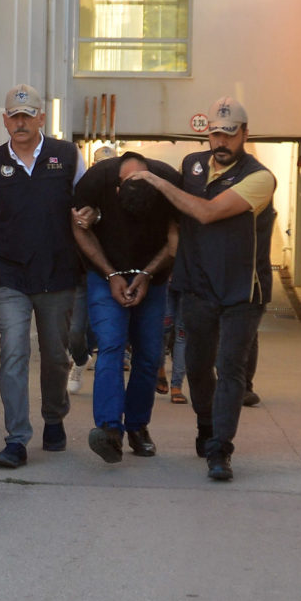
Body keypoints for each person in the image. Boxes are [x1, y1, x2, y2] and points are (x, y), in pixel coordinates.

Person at [136, 98, 278, 482]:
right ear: (207, 133)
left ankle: (221, 450)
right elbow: (180, 218)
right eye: (216, 133)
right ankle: (205, 425)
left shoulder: (260, 177)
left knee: (229, 368)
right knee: (197, 366)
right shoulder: (191, 165)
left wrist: (155, 179)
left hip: (242, 292)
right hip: (198, 287)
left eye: (230, 135)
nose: (222, 142)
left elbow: (206, 212)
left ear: (245, 135)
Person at [0, 84, 84, 468]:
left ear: (41, 119)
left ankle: (53, 417)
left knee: (54, 355)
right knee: (13, 351)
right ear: (4, 120)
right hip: (9, 274)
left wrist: (91, 224)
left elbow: (87, 205)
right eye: (14, 116)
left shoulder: (66, 156)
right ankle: (16, 438)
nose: (20, 122)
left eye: (27, 116)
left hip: (58, 273)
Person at [70, 151, 182, 463]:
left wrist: (147, 275)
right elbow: (79, 228)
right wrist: (111, 274)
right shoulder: (95, 181)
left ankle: (137, 427)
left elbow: (176, 240)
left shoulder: (171, 183)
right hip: (105, 274)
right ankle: (108, 430)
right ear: (117, 190)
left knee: (148, 355)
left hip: (154, 277)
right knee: (111, 346)